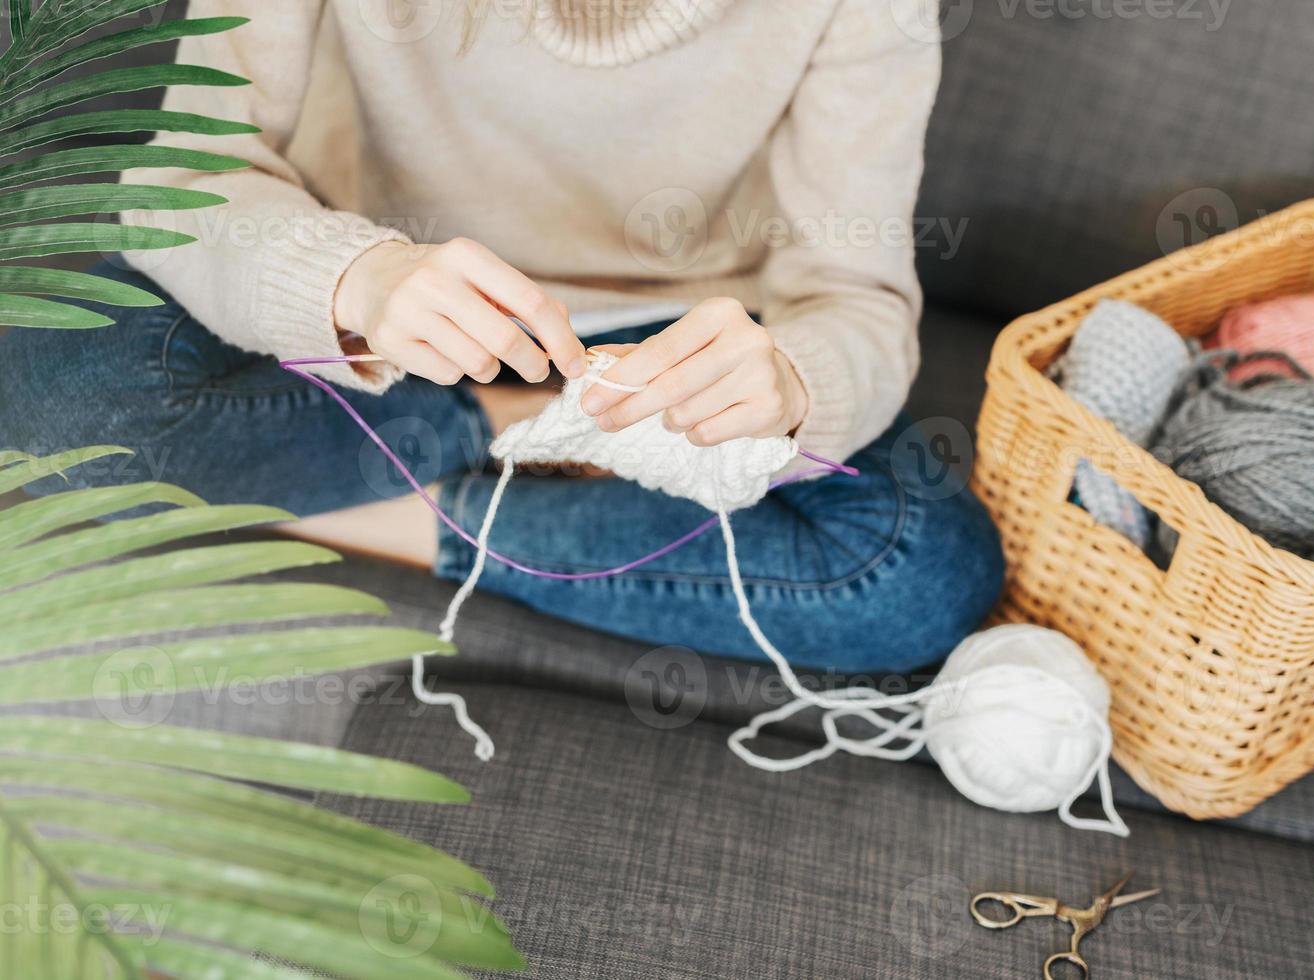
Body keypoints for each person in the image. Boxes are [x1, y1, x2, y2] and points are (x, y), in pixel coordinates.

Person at [0, 0, 1003, 673]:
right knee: (39, 377)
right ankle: (513, 430)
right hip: (347, 305)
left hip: (661, 344)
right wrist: (360, 274)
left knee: (923, 572)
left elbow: (858, 298)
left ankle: (332, 484)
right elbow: (189, 177)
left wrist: (789, 378)